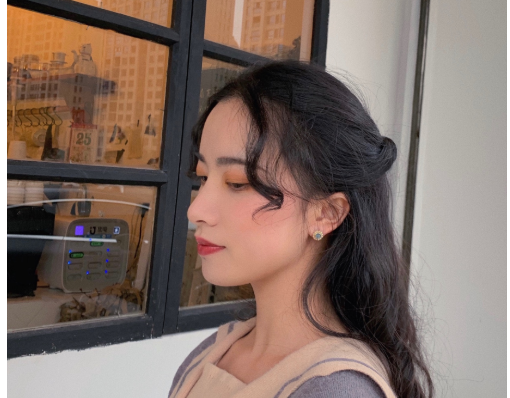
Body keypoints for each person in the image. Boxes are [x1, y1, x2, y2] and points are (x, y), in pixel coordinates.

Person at [169, 60, 433, 398]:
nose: (196, 210)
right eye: (203, 177)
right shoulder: (217, 349)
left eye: (237, 183)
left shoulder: (336, 390)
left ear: (326, 214)